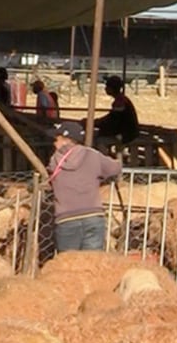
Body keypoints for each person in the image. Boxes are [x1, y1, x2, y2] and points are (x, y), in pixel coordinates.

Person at [47, 120, 121, 252]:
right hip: (93, 216)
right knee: (91, 264)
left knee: (69, 265)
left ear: (65, 140)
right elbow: (115, 168)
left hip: (66, 219)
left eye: (56, 139)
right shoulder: (93, 155)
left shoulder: (55, 161)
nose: (54, 143)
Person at [94, 75, 140, 147]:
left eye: (107, 86)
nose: (105, 88)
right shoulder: (122, 99)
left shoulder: (120, 101)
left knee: (98, 140)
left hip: (127, 135)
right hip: (126, 133)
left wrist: (95, 123)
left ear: (111, 88)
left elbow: (112, 119)